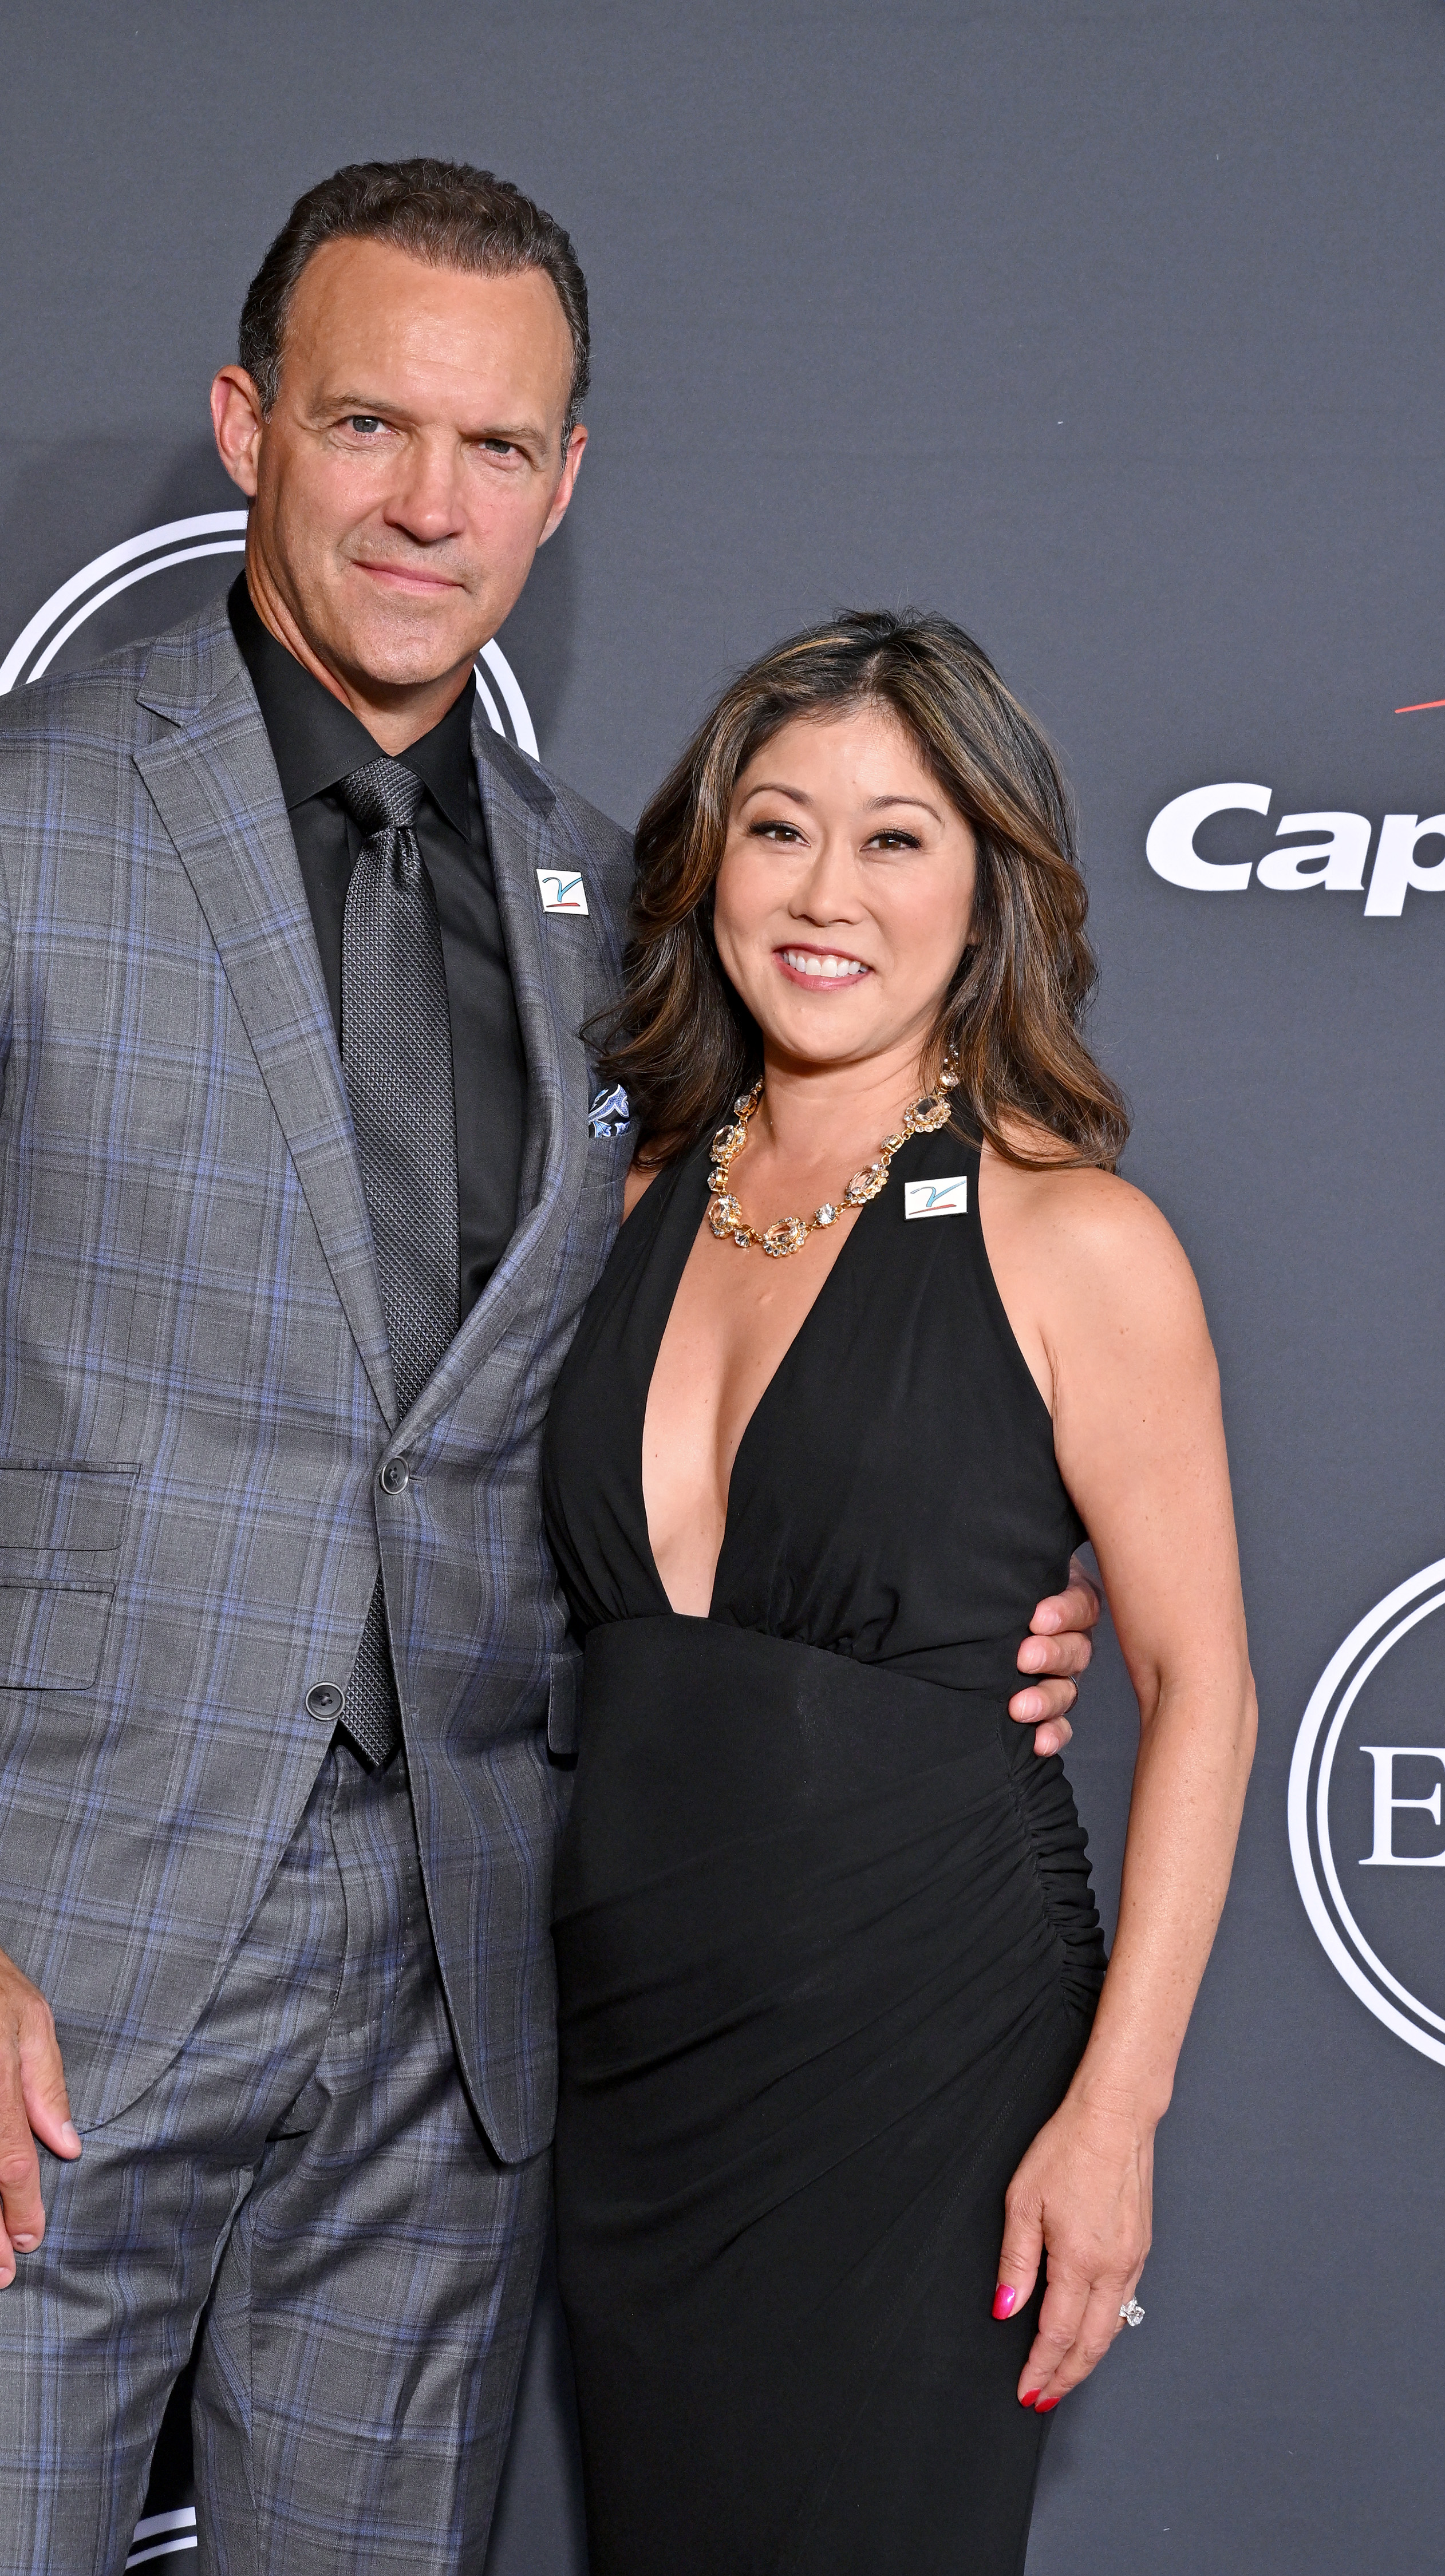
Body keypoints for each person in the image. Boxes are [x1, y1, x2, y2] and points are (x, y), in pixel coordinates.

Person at [0, 161, 1100, 2576]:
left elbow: (669, 1380)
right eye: (366, 426)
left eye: (496, 447)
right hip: (35, 1981)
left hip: (462, 1995)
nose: (426, 505)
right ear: (248, 424)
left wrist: (951, 1621)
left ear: (564, 482)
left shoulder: (615, 926)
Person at [543, 612, 1257, 2575]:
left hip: (924, 2058)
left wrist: (1111, 2118)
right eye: (778, 830)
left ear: (987, 889)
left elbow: (1200, 1687)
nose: (824, 892)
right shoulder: (615, 1213)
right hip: (619, 2064)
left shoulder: (1075, 1238)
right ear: (705, 870)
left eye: (895, 839)